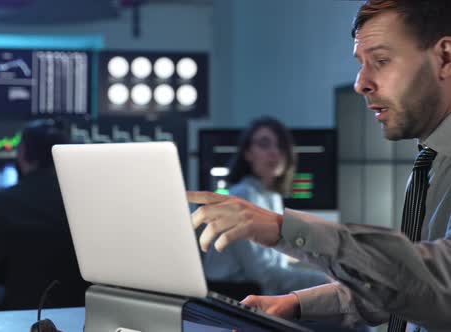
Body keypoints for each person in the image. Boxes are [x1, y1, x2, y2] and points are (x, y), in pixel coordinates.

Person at [188, 1, 451, 331]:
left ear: (445, 57)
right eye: (362, 64)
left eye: (381, 61)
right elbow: (405, 288)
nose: (360, 83)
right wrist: (296, 303)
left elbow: (442, 283)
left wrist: (285, 229)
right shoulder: (430, 164)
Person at [202, 116, 327, 295]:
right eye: (264, 144)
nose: (274, 152)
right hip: (234, 298)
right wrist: (325, 282)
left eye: (280, 146)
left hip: (259, 295)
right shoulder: (243, 195)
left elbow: (276, 266)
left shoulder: (272, 196)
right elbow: (263, 275)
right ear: (248, 153)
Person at [0, 120, 88, 311]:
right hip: (82, 315)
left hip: (22, 316)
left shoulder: (3, 203)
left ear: (24, 154)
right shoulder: (86, 202)